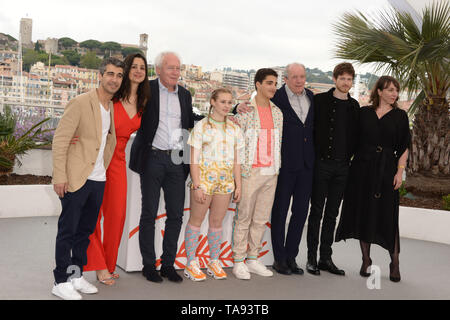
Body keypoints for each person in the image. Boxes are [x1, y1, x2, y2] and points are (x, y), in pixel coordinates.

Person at [51, 57, 124, 300]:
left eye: (118, 76)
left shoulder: (111, 106)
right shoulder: (81, 102)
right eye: (110, 74)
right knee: (68, 231)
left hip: (98, 179)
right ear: (100, 76)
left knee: (85, 231)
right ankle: (60, 280)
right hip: (76, 178)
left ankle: (76, 275)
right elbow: (61, 140)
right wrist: (60, 176)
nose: (114, 79)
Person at [129, 51, 199, 283]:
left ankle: (168, 264)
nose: (175, 72)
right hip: (152, 157)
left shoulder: (186, 95)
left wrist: (235, 110)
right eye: (171, 68)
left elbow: (191, 122)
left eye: (178, 68)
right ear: (158, 70)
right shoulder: (146, 89)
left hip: (177, 160)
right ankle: (149, 265)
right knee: (148, 213)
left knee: (176, 215)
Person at [335, 76, 411, 283]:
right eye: (390, 90)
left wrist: (399, 172)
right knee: (363, 212)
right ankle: (366, 259)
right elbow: (351, 140)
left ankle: (394, 261)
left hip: (387, 170)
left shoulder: (400, 116)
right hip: (362, 169)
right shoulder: (364, 113)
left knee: (388, 214)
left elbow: (404, 147)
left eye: (396, 90)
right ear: (379, 91)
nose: (394, 94)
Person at [84, 53, 149, 285]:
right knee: (92, 216)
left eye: (143, 67)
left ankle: (109, 264)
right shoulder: (112, 99)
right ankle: (98, 265)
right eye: (134, 67)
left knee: (116, 216)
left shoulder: (144, 102)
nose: (138, 71)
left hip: (119, 162)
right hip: (99, 159)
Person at [305, 62, 360, 276]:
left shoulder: (355, 106)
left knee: (332, 215)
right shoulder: (319, 101)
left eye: (349, 79)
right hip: (322, 164)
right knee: (316, 212)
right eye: (343, 78)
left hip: (342, 167)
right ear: (335, 79)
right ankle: (311, 258)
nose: (346, 82)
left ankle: (325, 257)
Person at [183, 88, 244, 282]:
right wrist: (198, 185)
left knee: (217, 223)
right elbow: (193, 159)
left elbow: (237, 161)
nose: (226, 106)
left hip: (225, 183)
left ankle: (213, 261)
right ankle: (191, 263)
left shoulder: (235, 129)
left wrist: (238, 185)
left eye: (229, 102)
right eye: (223, 102)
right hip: (204, 182)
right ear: (213, 102)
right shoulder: (201, 126)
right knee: (195, 221)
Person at [232, 68, 283, 280]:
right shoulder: (245, 110)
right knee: (243, 217)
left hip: (271, 172)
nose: (273, 87)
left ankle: (253, 258)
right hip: (249, 171)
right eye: (269, 83)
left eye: (275, 83)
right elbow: (233, 136)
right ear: (258, 84)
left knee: (261, 218)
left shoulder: (278, 112)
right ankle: (238, 261)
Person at [269, 63, 315, 276]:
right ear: (285, 79)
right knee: (279, 211)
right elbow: (253, 106)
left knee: (300, 213)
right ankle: (279, 259)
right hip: (284, 165)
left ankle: (291, 256)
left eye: (302, 76)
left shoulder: (312, 98)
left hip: (307, 166)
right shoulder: (275, 98)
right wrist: (237, 108)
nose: (299, 80)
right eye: (294, 77)